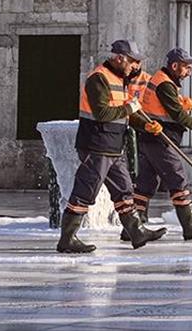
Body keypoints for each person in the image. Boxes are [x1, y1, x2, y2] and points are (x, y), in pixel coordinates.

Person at [56, 40, 166, 253]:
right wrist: (128, 107)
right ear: (119, 58)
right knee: (85, 190)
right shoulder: (98, 78)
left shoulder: (119, 78)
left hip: (114, 146)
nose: (136, 66)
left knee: (124, 189)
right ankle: (67, 239)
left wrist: (145, 124)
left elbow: (124, 115)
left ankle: (136, 231)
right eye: (133, 61)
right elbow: (103, 114)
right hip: (96, 145)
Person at [129, 48, 192, 241]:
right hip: (160, 139)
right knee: (177, 179)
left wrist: (182, 104)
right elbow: (178, 116)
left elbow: (169, 108)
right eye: (186, 67)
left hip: (151, 138)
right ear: (175, 65)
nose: (189, 71)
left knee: (146, 182)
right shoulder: (165, 84)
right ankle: (189, 225)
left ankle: (133, 227)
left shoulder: (166, 82)